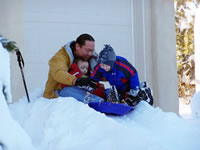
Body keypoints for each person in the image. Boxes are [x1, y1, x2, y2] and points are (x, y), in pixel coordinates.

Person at [43, 33, 104, 103]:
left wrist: (115, 74)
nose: (90, 53)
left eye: (92, 51)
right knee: (69, 90)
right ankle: (99, 102)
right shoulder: (59, 57)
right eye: (88, 50)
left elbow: (101, 72)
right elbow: (58, 73)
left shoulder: (91, 57)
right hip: (59, 91)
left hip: (84, 89)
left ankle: (111, 97)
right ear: (77, 46)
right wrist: (77, 81)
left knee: (99, 90)